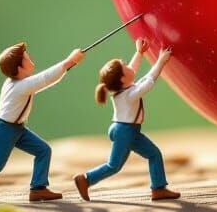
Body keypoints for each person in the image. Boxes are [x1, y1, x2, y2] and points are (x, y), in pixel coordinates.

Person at [0, 42, 84, 203]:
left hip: (15, 128)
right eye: (27, 59)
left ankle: (38, 188)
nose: (31, 60)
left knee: (43, 150)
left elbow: (44, 81)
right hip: (6, 129)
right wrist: (69, 61)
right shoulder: (22, 86)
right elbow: (45, 78)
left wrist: (68, 65)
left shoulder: (15, 83)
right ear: (19, 68)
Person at [73, 39, 181, 202]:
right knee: (114, 166)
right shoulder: (129, 95)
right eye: (125, 67)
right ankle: (85, 179)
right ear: (123, 79)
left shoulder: (122, 89)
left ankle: (158, 189)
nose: (130, 67)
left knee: (154, 154)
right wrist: (160, 62)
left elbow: (133, 70)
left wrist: (139, 53)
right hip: (125, 132)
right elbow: (149, 81)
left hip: (128, 131)